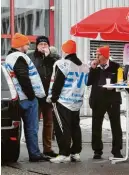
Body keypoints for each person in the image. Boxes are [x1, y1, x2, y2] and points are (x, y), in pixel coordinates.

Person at [5, 33, 49, 162]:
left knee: (17, 129)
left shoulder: (9, 57)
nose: (28, 46)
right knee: (31, 128)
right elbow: (23, 76)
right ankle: (34, 154)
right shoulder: (19, 57)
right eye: (26, 44)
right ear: (20, 45)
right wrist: (31, 96)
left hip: (17, 97)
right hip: (27, 98)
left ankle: (13, 154)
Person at [47, 40, 89, 163]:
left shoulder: (62, 64)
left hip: (63, 101)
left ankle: (63, 153)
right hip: (76, 101)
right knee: (75, 126)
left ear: (65, 50)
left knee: (62, 127)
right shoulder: (83, 66)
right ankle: (75, 152)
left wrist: (53, 97)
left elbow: (58, 82)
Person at [87, 45, 123, 160]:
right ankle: (97, 150)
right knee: (96, 125)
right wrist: (92, 69)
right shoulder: (95, 67)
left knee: (116, 125)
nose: (96, 57)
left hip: (112, 99)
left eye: (99, 54)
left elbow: (121, 82)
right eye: (96, 54)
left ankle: (117, 150)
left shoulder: (116, 67)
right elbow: (88, 82)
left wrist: (113, 86)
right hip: (97, 99)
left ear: (105, 56)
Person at [28, 35, 60, 158]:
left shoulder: (53, 57)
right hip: (35, 95)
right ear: (36, 46)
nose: (43, 46)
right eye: (41, 44)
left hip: (48, 95)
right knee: (34, 123)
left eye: (45, 44)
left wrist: (49, 57)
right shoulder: (31, 57)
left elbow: (59, 66)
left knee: (48, 122)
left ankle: (48, 148)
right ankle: (34, 149)